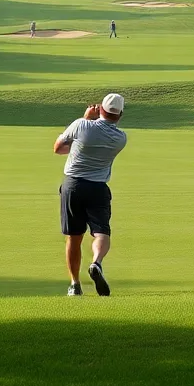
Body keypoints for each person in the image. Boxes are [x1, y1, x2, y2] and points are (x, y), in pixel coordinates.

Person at [54, 93, 128, 296]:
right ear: (120, 115)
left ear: (101, 110)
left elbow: (58, 148)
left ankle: (74, 284)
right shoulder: (121, 138)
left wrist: (87, 118)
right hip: (98, 188)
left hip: (73, 185)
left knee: (73, 237)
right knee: (101, 232)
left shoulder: (81, 125)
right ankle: (96, 262)